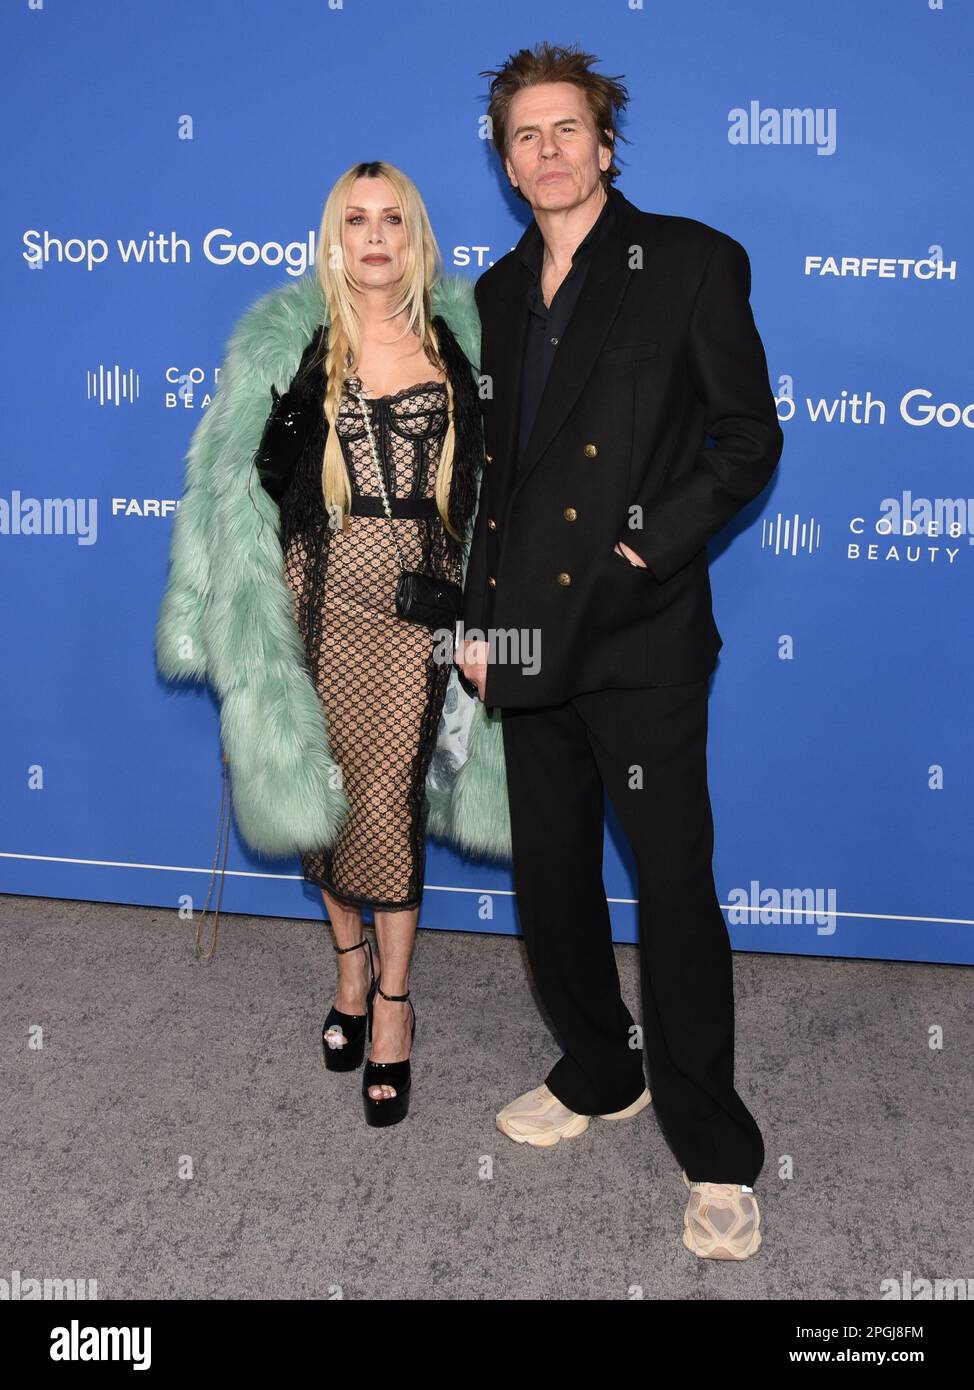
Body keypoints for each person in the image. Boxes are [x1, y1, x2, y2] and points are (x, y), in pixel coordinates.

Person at [456, 43, 784, 1259]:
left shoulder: (687, 262)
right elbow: (491, 487)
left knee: (673, 890)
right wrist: (480, 622)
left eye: (565, 130)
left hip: (638, 633)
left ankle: (715, 1147)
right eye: (522, 136)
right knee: (547, 876)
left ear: (605, 143)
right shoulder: (490, 296)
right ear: (503, 159)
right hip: (527, 638)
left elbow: (745, 440)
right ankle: (599, 1070)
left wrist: (647, 552)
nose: (545, 151)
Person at [157, 162, 511, 1128]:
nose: (374, 235)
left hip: (421, 605)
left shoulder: (468, 338)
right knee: (325, 789)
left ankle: (391, 1005)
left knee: (390, 797)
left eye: (392, 218)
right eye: (355, 219)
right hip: (315, 595)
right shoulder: (290, 340)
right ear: (334, 235)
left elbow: (511, 481)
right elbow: (228, 485)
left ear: (416, 233)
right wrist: (212, 606)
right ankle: (348, 969)